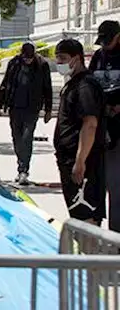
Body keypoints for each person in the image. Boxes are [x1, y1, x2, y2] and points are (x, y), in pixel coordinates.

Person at [55, 39, 107, 224]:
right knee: (77, 214)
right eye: (57, 58)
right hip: (69, 159)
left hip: (84, 163)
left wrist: (80, 161)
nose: (59, 63)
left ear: (76, 59)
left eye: (63, 58)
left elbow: (90, 123)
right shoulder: (73, 83)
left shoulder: (85, 86)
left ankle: (91, 252)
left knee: (86, 215)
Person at [0, 42, 53, 185]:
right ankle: (21, 164)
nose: (28, 60)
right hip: (15, 106)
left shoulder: (42, 65)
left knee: (27, 138)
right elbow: (5, 83)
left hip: (32, 108)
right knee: (16, 138)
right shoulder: (14, 64)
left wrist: (48, 110)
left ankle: (23, 170)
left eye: (30, 58)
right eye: (26, 58)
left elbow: (47, 87)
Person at [89, 20, 120, 231]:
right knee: (103, 182)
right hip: (101, 129)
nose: (105, 46)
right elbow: (90, 83)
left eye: (108, 41)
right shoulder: (99, 57)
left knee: (117, 185)